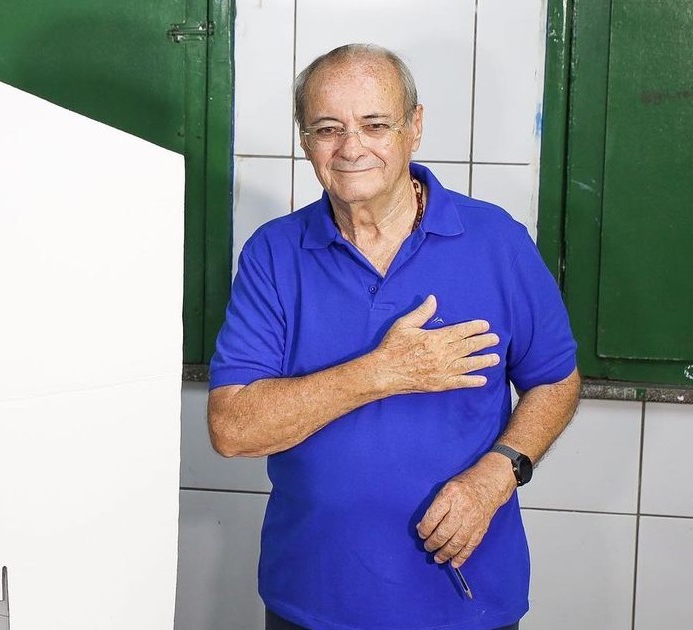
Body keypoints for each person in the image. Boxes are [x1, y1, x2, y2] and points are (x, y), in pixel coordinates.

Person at [207, 43, 581, 630]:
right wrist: (383, 371)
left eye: (374, 124)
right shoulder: (274, 254)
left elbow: (556, 382)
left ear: (415, 127)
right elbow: (233, 429)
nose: (351, 147)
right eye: (328, 128)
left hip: (465, 598)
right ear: (305, 141)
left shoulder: (496, 241)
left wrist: (495, 476)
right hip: (313, 597)